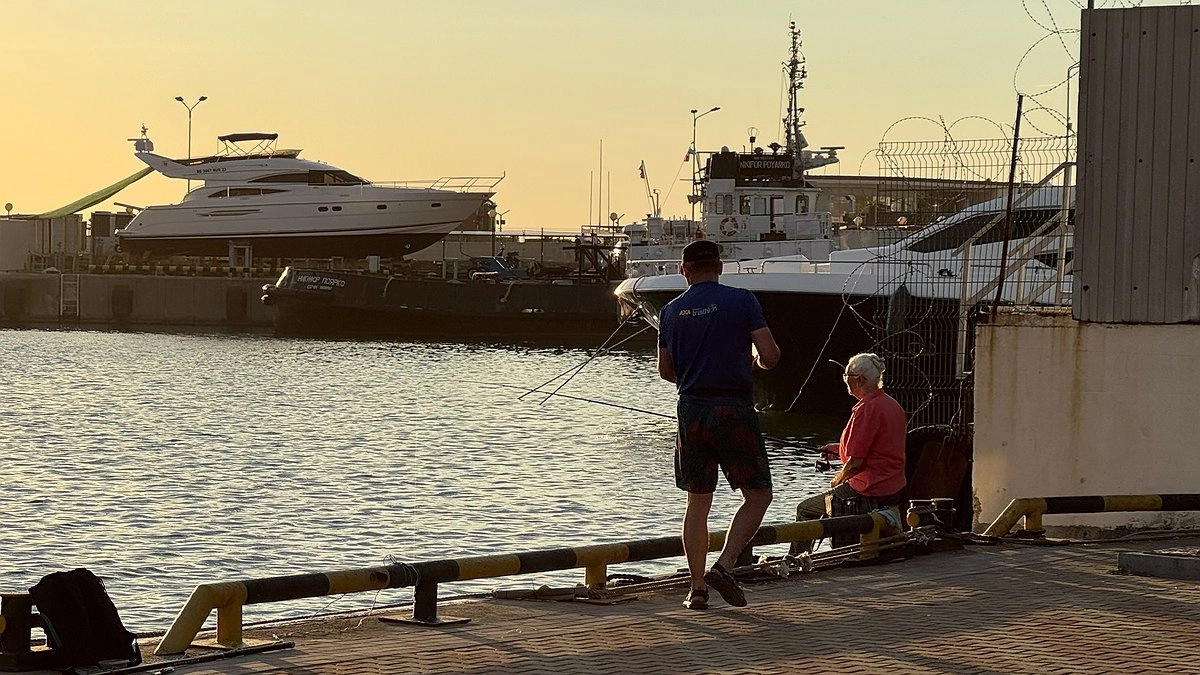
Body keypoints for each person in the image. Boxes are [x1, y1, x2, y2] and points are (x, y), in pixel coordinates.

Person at [657, 239, 781, 610]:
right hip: (734, 408)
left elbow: (665, 370)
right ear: (720, 267)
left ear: (684, 271)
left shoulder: (671, 311)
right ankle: (725, 566)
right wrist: (755, 363)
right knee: (758, 494)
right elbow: (771, 356)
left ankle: (696, 589)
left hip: (692, 409)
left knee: (698, 500)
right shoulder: (743, 300)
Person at [792, 353, 907, 554]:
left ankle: (796, 558)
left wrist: (837, 480)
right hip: (894, 483)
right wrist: (838, 450)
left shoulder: (866, 409)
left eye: (847, 376)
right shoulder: (891, 405)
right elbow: (878, 447)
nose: (845, 380)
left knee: (805, 510)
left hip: (870, 487)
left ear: (860, 380)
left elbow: (856, 463)